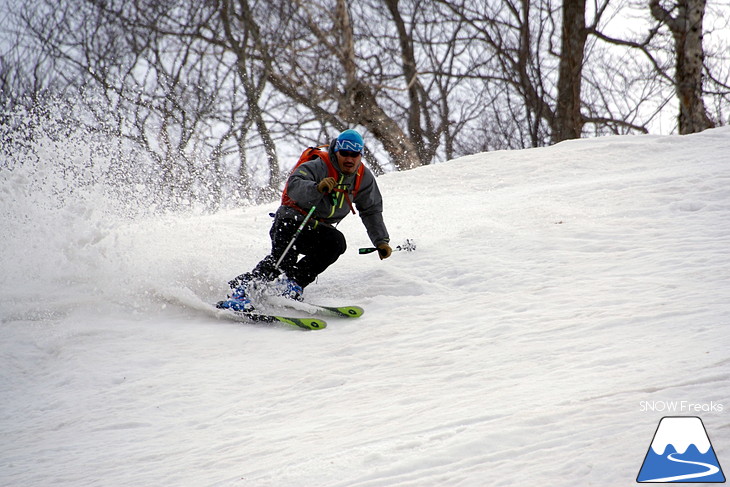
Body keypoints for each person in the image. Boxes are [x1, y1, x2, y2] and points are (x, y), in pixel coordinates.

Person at [219, 129, 392, 311]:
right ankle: (243, 290)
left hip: (318, 227)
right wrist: (316, 188)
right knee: (284, 258)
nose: (349, 159)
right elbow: (293, 185)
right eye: (344, 153)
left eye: (354, 155)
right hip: (292, 219)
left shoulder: (363, 178)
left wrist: (381, 240)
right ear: (336, 152)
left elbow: (371, 210)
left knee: (336, 243)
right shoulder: (319, 165)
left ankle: (290, 286)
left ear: (360, 155)